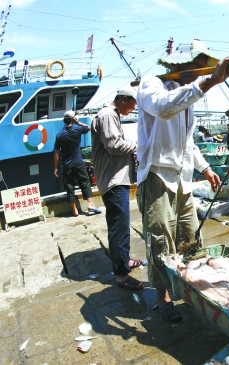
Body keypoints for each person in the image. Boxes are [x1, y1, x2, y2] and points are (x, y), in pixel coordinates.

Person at [136, 40, 229, 322]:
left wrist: (204, 168)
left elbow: (187, 142)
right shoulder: (152, 85)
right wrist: (211, 81)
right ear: (180, 63)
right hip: (157, 175)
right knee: (159, 239)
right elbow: (163, 108)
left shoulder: (190, 97)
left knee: (190, 237)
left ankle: (190, 288)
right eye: (197, 64)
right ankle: (163, 297)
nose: (201, 71)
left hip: (183, 179)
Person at [91, 85, 145, 291]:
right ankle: (122, 276)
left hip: (117, 179)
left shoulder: (111, 115)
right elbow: (114, 146)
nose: (131, 110)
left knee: (122, 225)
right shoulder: (107, 115)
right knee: (119, 228)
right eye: (131, 106)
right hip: (113, 180)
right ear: (123, 99)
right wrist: (140, 145)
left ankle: (125, 260)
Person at [54, 110, 101, 217]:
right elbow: (88, 128)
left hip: (66, 164)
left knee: (69, 186)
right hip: (78, 163)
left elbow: (56, 153)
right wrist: (78, 123)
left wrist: (55, 167)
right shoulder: (77, 129)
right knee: (84, 181)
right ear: (73, 119)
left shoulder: (59, 135)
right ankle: (90, 204)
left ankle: (74, 210)